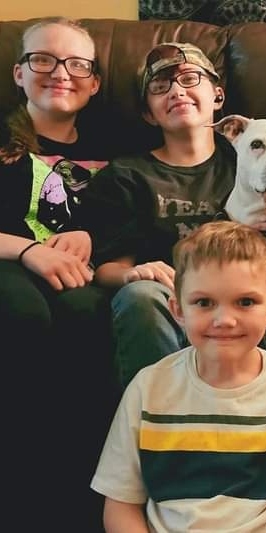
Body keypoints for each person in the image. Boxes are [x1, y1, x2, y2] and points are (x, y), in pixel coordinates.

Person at [82, 41, 266, 389]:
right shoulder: (128, 173)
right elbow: (108, 269)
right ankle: (160, 424)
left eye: (189, 79)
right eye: (160, 86)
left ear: (218, 95)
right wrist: (133, 274)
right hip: (174, 304)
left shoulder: (254, 153)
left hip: (252, 306)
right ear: (148, 113)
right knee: (140, 295)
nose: (176, 92)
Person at [91, 220, 266, 532]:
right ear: (178, 309)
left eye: (245, 302)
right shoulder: (147, 386)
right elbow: (120, 504)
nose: (224, 320)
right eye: (204, 303)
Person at [0, 17, 117, 531]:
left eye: (77, 64)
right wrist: (27, 252)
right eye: (43, 60)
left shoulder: (118, 147)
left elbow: (140, 219)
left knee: (86, 313)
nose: (60, 73)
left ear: (93, 82)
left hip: (84, 283)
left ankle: (77, 501)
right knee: (23, 311)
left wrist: (93, 234)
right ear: (19, 73)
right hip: (8, 270)